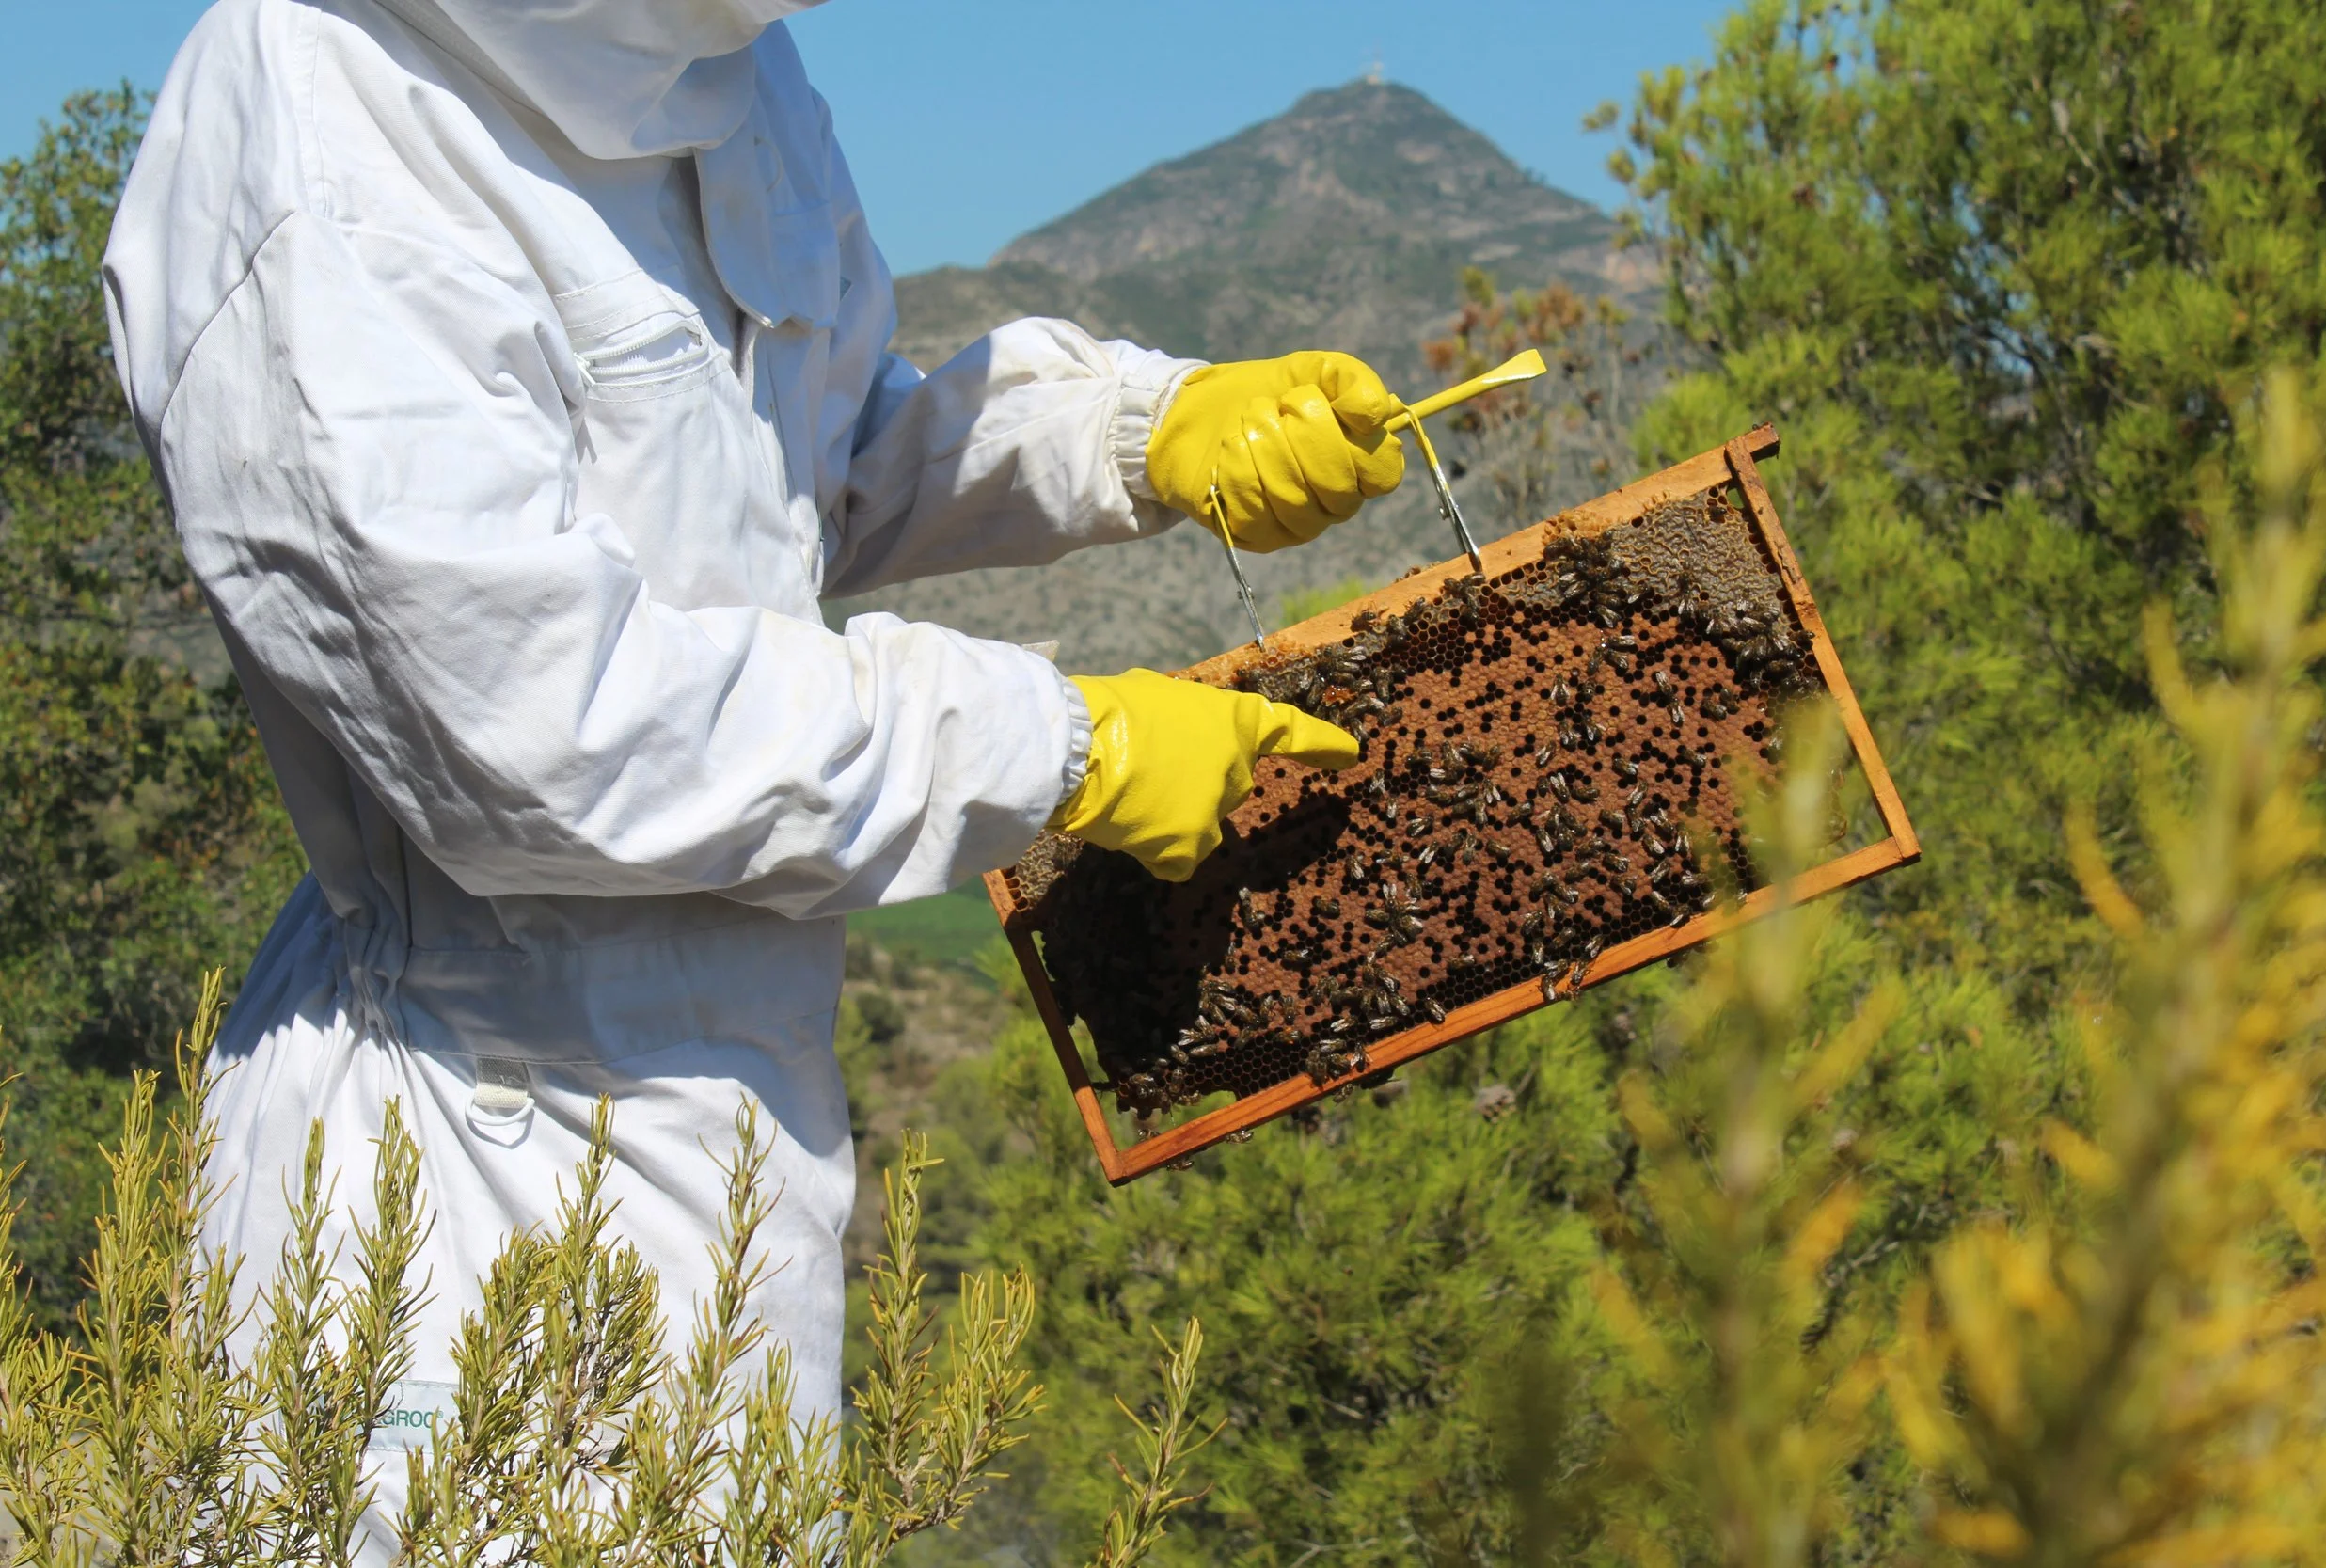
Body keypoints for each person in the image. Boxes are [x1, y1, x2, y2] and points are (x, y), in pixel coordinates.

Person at [103, 0, 1403, 1551]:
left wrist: (1130, 434)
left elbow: (801, 473)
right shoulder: (313, 110)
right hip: (455, 1188)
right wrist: (1058, 743)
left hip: (748, 1148)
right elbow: (535, 728)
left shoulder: (731, 60)